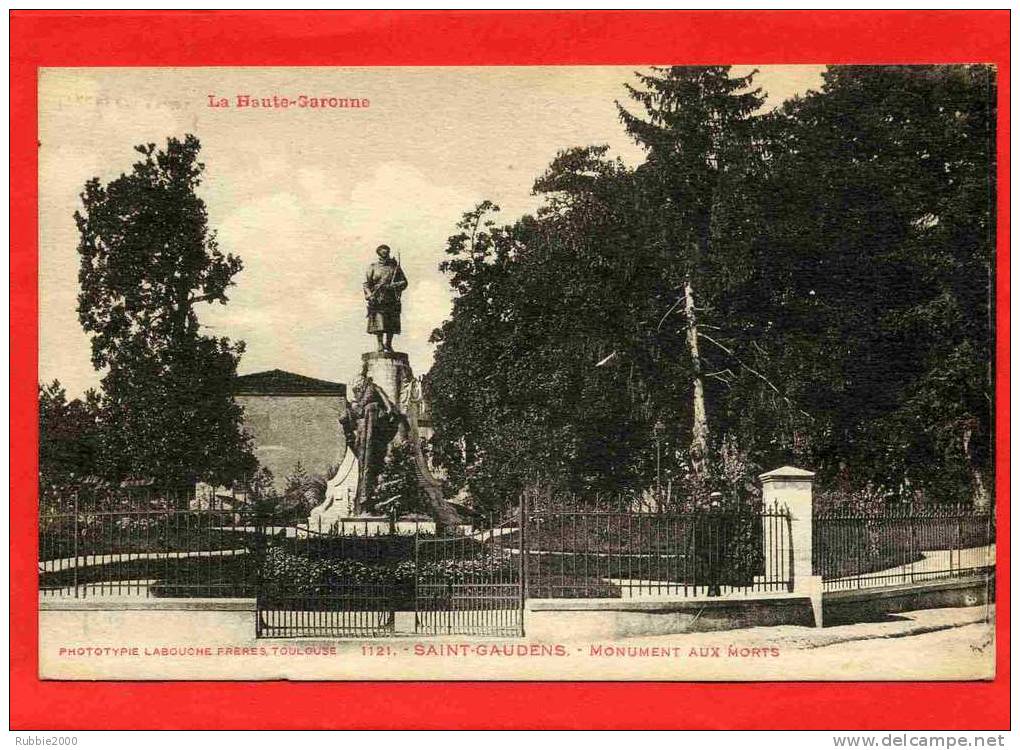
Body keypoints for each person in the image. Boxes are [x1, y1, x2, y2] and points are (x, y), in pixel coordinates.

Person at [363, 244, 408, 352]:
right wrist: (369, 294)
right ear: (378, 253)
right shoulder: (373, 267)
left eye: (387, 252)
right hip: (378, 298)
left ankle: (388, 344)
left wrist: (394, 286)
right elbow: (366, 284)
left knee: (391, 321)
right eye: (383, 253)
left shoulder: (395, 268)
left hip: (391, 297)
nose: (385, 254)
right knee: (379, 321)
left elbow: (404, 282)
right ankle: (380, 344)